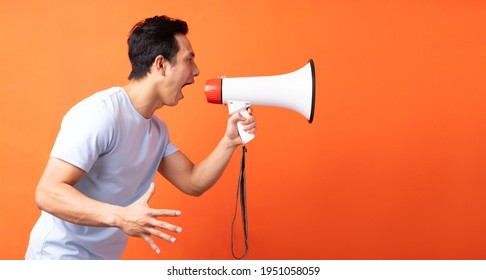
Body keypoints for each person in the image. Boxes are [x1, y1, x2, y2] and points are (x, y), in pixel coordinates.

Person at [25, 15, 256, 260]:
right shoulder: (100, 114)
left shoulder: (157, 130)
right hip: (57, 259)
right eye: (189, 60)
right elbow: (48, 193)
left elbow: (192, 181)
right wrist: (121, 216)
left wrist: (229, 141)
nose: (196, 72)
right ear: (161, 64)